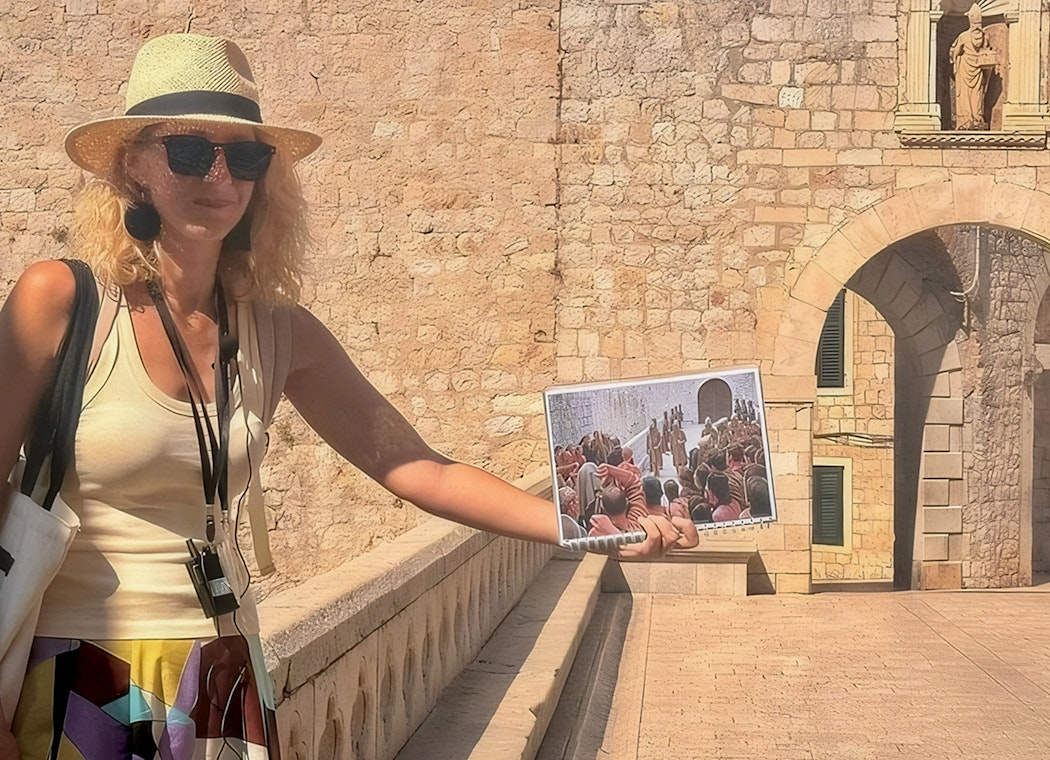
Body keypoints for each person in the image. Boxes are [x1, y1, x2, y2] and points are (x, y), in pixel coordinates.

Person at [0, 33, 696, 757]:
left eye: (244, 157)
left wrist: (588, 522)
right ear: (134, 164)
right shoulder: (63, 301)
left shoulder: (277, 332)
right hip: (83, 670)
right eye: (188, 150)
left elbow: (418, 468)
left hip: (225, 672)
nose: (219, 176)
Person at [949, 3, 994, 130]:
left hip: (964, 68)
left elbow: (956, 52)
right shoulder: (984, 36)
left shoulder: (963, 36)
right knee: (977, 94)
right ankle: (977, 117)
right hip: (978, 69)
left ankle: (965, 120)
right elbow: (986, 51)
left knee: (964, 94)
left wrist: (954, 62)